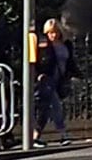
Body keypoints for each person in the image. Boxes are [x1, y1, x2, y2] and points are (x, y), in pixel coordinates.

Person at [30, 17, 73, 147]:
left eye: (55, 32)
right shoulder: (44, 45)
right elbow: (37, 62)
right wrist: (38, 75)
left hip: (58, 79)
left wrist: (73, 74)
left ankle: (36, 136)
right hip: (47, 79)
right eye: (50, 32)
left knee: (46, 109)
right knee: (56, 106)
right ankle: (63, 134)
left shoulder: (66, 44)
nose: (53, 35)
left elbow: (70, 61)